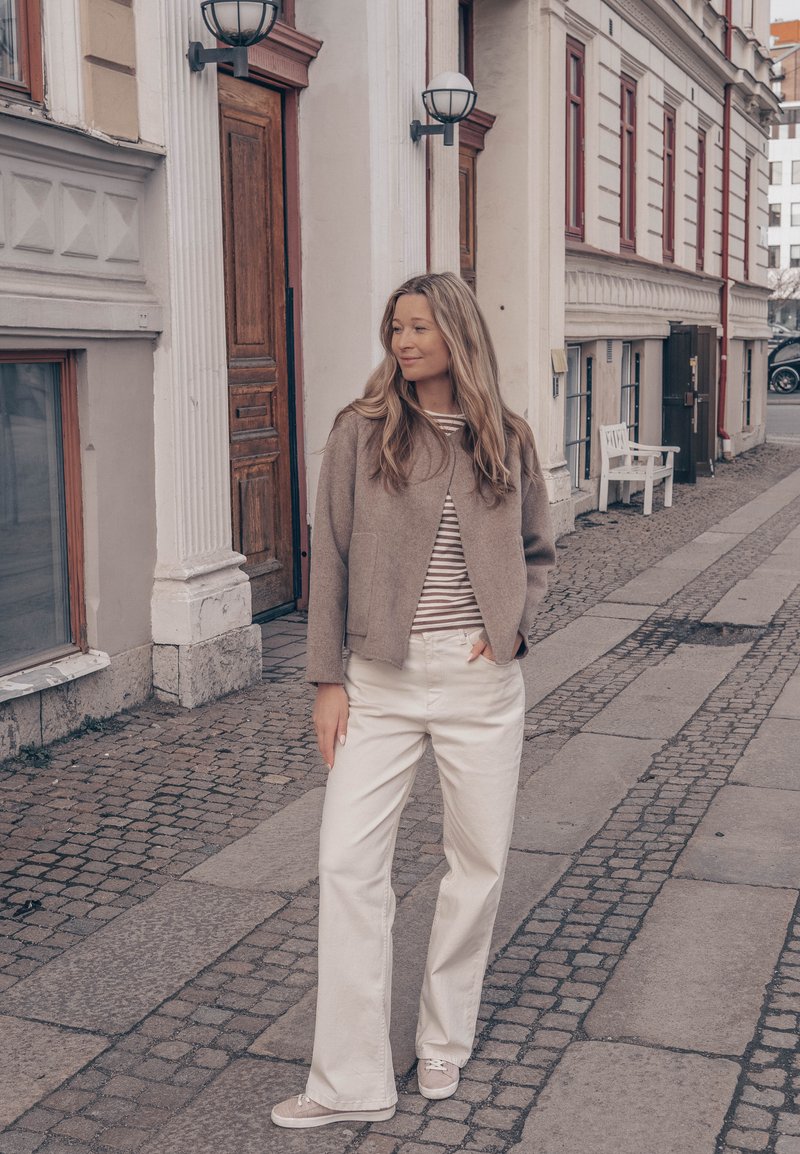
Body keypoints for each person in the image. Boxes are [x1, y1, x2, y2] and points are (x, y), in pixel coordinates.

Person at [271, 271, 556, 1129]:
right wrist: (327, 680)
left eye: (420, 327)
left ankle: (444, 1035)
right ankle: (350, 1081)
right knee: (348, 867)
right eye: (395, 327)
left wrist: (508, 628)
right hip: (381, 684)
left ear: (457, 335)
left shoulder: (505, 436)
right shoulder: (360, 434)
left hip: (479, 682)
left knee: (478, 864)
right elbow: (330, 565)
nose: (403, 342)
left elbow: (540, 549)